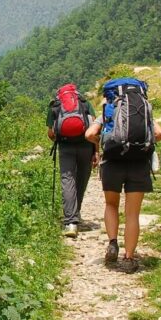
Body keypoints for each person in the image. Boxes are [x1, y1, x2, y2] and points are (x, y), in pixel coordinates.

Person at [85, 86, 161, 273]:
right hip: (138, 164)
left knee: (111, 204)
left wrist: (103, 142)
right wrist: (143, 144)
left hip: (113, 162)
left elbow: (89, 134)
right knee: (132, 214)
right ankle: (129, 258)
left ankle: (113, 243)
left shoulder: (109, 111)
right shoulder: (143, 109)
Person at [47, 84, 98, 238]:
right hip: (86, 146)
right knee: (82, 179)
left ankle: (71, 222)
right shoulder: (84, 103)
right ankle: (76, 212)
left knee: (67, 179)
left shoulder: (55, 105)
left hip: (65, 146)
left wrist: (60, 138)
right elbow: (95, 128)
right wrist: (96, 152)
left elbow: (50, 133)